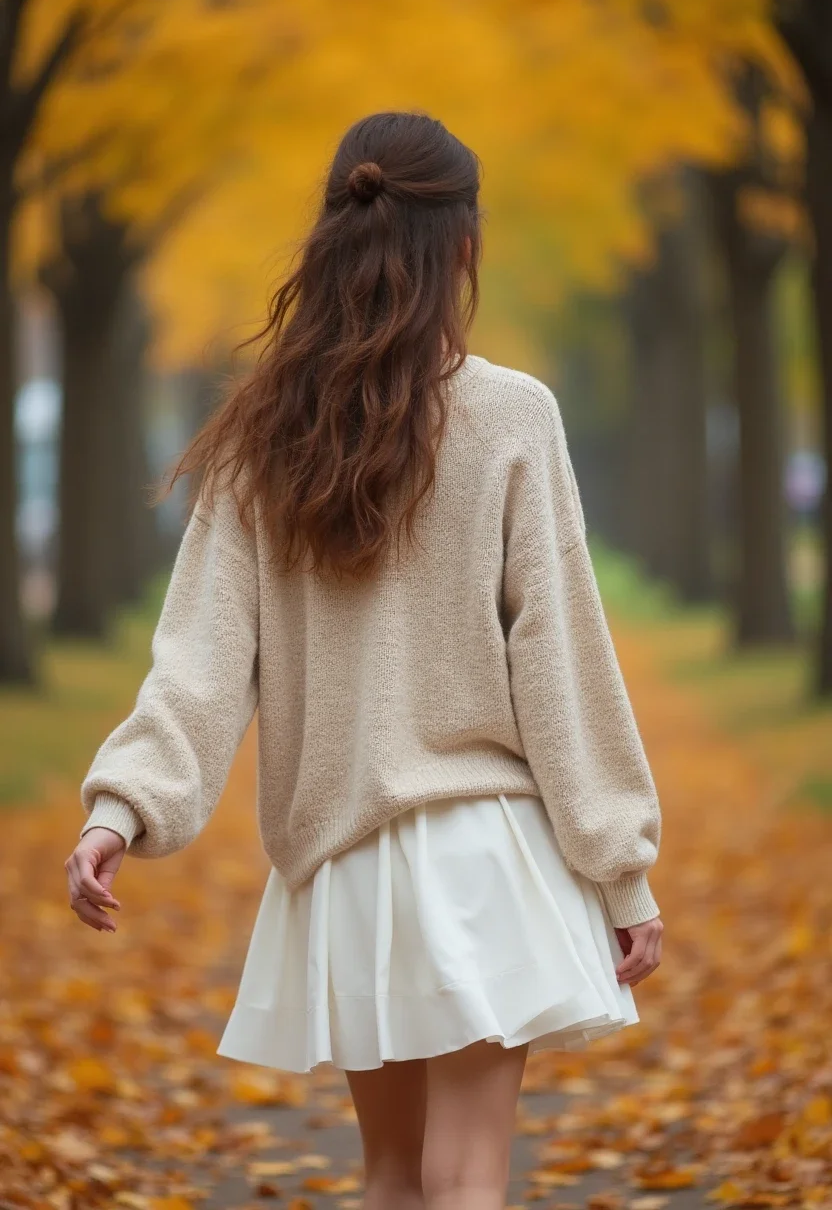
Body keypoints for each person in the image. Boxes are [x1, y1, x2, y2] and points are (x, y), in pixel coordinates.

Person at [66, 110, 663, 1210]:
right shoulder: (512, 416)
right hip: (485, 855)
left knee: (391, 1174)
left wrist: (122, 807)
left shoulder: (263, 435)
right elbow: (560, 659)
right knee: (467, 1173)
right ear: (463, 243)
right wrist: (618, 865)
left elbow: (199, 660)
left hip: (344, 866)